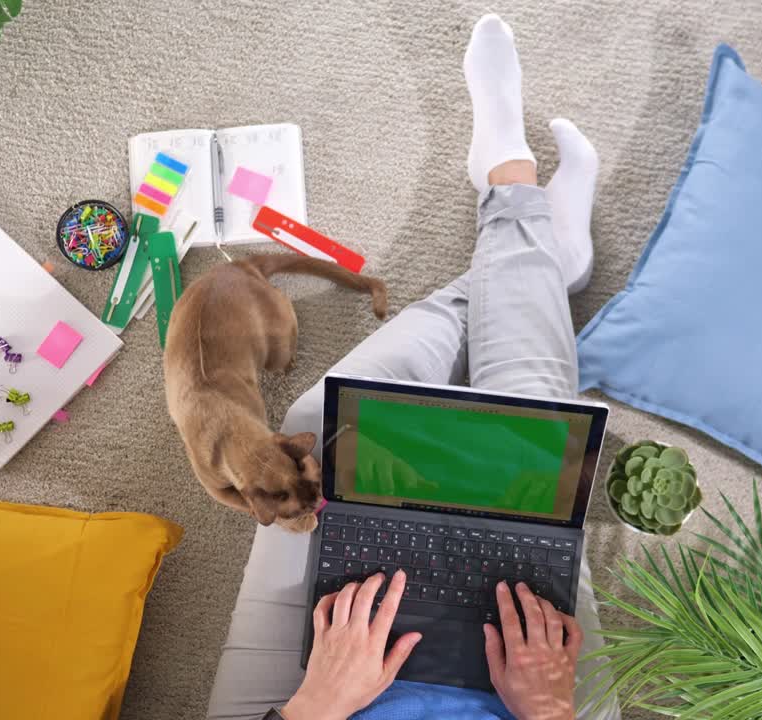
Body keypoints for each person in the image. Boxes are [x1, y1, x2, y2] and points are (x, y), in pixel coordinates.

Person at [207, 14, 610, 720]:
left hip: (305, 701)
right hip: (521, 706)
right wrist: (548, 712)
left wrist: (318, 706)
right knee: (532, 428)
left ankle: (534, 238)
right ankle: (517, 201)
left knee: (317, 424)